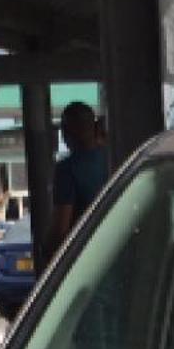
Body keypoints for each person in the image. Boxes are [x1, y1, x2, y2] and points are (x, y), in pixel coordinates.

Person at [50, 100, 110, 248]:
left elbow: (61, 230)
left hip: (87, 252)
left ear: (66, 132)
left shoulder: (67, 169)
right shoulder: (113, 158)